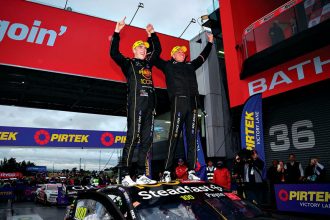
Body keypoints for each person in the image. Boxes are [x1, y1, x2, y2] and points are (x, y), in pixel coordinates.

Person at [110, 17, 161, 186]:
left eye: (144, 48)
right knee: (132, 138)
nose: (143, 49)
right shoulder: (129, 63)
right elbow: (114, 54)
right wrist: (117, 32)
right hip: (136, 105)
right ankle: (125, 175)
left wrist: (152, 34)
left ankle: (140, 174)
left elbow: (158, 49)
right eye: (140, 47)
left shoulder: (148, 64)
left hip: (150, 107)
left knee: (146, 141)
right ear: (133, 50)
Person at [157, 32, 214, 182]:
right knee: (174, 136)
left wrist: (210, 43)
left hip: (193, 104)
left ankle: (192, 171)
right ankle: (167, 171)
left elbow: (202, 57)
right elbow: (155, 57)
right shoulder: (168, 66)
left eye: (183, 51)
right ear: (173, 55)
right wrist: (151, 36)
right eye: (178, 52)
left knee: (192, 137)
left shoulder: (190, 65)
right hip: (179, 103)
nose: (182, 53)